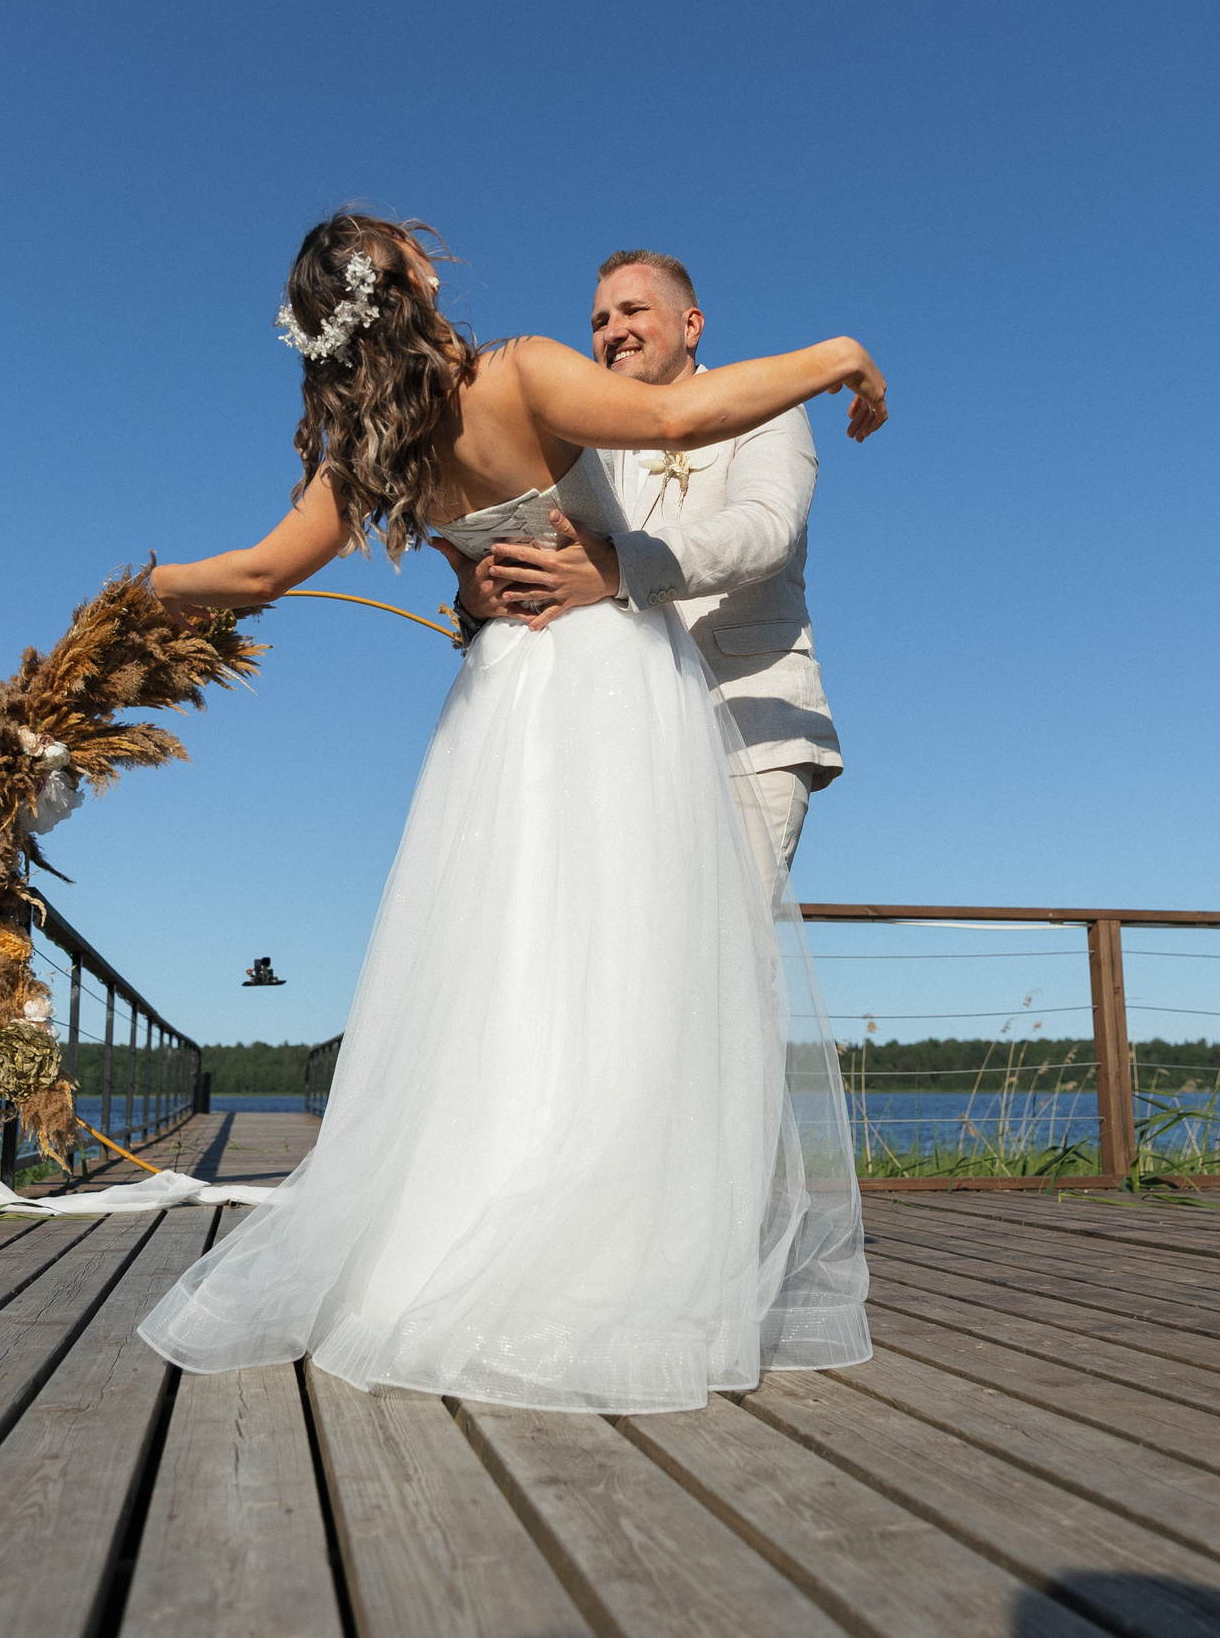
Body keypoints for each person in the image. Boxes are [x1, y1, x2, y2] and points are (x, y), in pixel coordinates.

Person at [135, 212, 884, 1412]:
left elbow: (263, 573)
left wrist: (132, 594)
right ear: (410, 279)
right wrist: (840, 348)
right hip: (602, 687)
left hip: (495, 713)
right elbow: (681, 420)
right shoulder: (527, 368)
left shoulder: (381, 452)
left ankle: (478, 1233)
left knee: (518, 962)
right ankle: (619, 1257)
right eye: (416, 247)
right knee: (621, 975)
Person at [453, 250, 841, 870]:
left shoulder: (766, 409)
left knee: (721, 957)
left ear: (692, 326)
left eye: (634, 309)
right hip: (616, 736)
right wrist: (479, 600)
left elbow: (766, 530)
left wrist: (618, 568)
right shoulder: (577, 438)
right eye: (600, 320)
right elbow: (545, 559)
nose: (613, 331)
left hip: (746, 727)